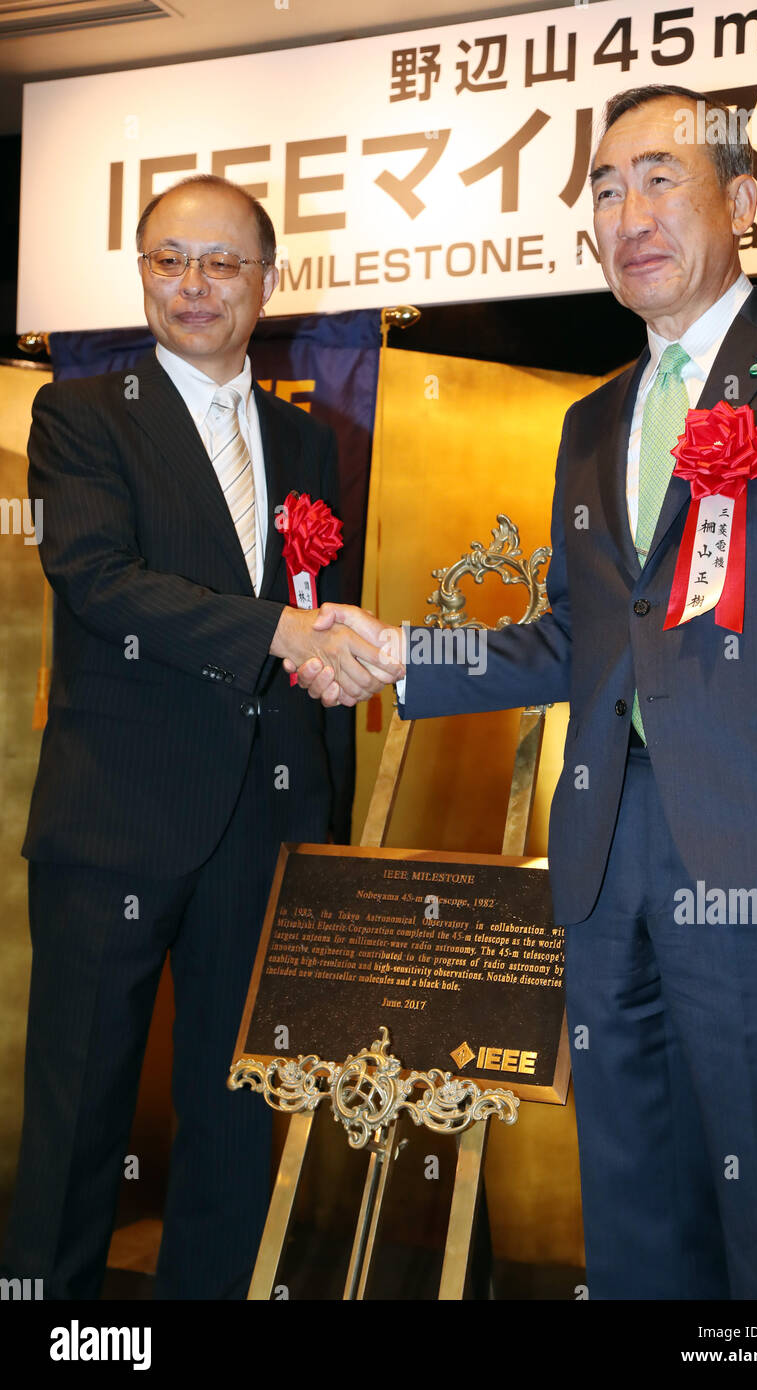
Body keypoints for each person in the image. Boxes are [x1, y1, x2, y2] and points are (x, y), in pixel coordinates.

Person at [297, 86, 757, 1299]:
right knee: (633, 1205)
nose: (626, 211)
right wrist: (400, 653)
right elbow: (574, 642)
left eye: (659, 176)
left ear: (743, 200)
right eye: (602, 190)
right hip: (606, 862)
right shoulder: (590, 418)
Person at [1, 174, 402, 1300]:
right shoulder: (83, 413)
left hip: (265, 822)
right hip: (118, 815)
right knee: (79, 1108)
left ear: (266, 282)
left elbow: (321, 602)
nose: (193, 285)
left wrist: (335, 667)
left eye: (220, 263)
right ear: (141, 273)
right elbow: (97, 579)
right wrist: (284, 630)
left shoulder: (307, 437)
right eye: (168, 259)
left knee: (238, 1103)